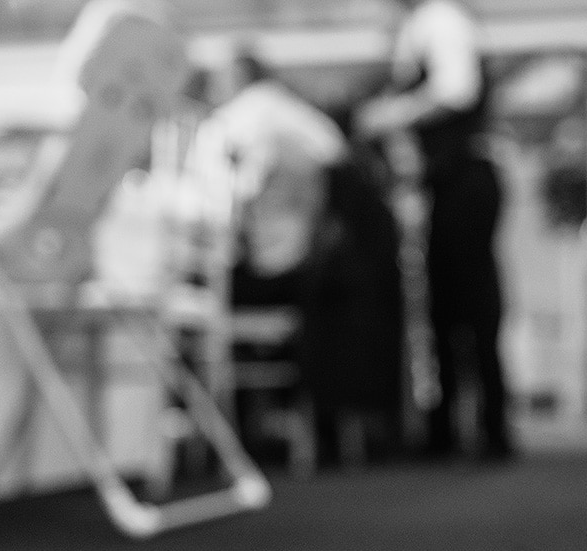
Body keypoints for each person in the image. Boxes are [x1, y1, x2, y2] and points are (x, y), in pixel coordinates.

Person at [208, 48, 405, 468]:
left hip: (339, 248)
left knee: (232, 301)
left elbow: (231, 189)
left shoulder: (252, 110)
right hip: (354, 242)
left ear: (239, 77)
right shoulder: (286, 111)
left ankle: (228, 439)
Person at [356, 0, 514, 461]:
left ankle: (489, 432)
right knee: (448, 307)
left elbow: (456, 90)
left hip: (466, 181)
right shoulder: (422, 27)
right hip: (451, 184)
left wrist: (392, 114)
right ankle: (451, 431)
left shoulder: (438, 19)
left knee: (473, 306)